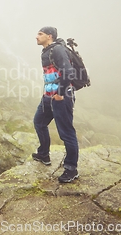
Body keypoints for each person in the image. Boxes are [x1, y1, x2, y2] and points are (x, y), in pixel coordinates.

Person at [32, 26, 79, 183]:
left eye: (40, 34)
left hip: (61, 97)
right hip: (48, 97)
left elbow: (68, 72)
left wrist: (60, 93)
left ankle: (71, 169)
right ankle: (44, 154)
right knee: (39, 122)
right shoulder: (47, 50)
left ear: (49, 36)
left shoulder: (58, 50)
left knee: (66, 133)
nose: (36, 37)